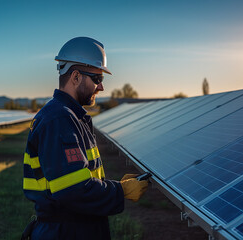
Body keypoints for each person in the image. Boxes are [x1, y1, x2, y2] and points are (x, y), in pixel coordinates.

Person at [22, 37, 149, 240]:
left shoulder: (68, 116)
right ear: (75, 77)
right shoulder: (59, 119)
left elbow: (79, 178)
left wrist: (114, 185)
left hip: (72, 228)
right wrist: (120, 191)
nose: (101, 87)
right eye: (97, 79)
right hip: (67, 232)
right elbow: (74, 190)